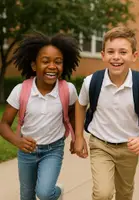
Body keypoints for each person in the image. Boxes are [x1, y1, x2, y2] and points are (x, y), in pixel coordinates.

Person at [74, 26, 139, 200]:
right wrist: (78, 136)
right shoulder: (92, 81)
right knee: (102, 194)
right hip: (100, 145)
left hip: (129, 148)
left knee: (124, 194)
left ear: (134, 56)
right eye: (111, 51)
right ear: (103, 54)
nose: (116, 57)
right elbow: (80, 105)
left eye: (123, 52)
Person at [0, 32, 80, 200]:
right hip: (27, 151)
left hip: (53, 149)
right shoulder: (21, 90)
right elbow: (4, 124)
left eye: (58, 62)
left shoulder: (68, 90)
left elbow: (73, 112)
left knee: (44, 193)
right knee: (27, 196)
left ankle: (55, 191)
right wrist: (18, 141)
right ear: (34, 65)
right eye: (45, 61)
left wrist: (76, 137)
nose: (52, 66)